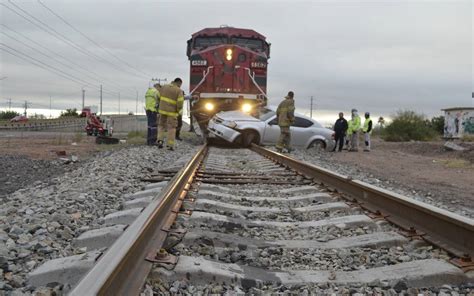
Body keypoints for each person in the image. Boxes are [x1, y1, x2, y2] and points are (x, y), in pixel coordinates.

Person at [157, 78, 184, 150]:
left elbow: (158, 96)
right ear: (179, 83)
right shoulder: (178, 90)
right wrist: (178, 110)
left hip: (162, 110)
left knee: (161, 126)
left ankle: (160, 141)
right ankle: (170, 145)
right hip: (172, 112)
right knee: (171, 127)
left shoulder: (164, 87)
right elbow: (180, 102)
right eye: (180, 85)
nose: (180, 86)